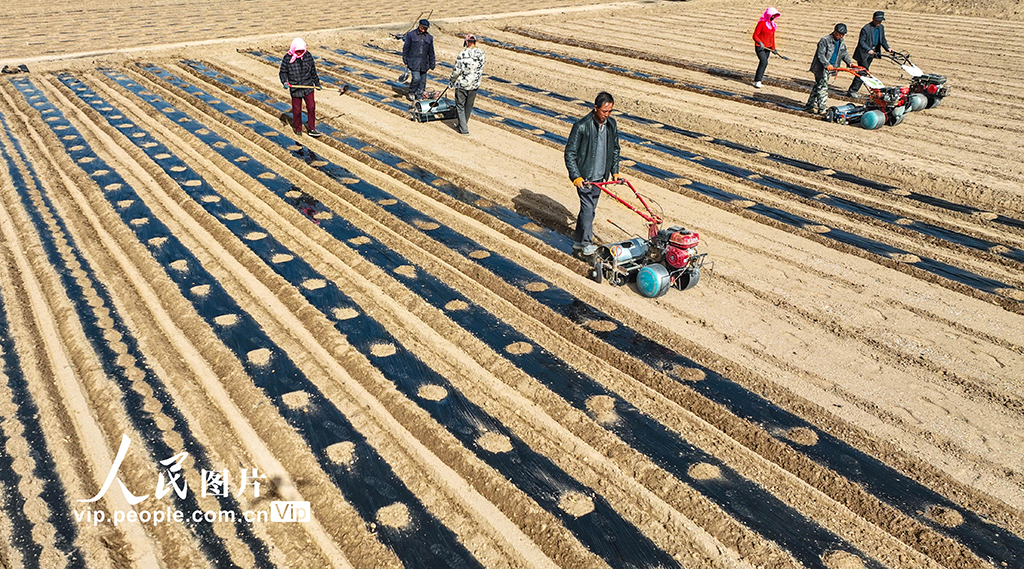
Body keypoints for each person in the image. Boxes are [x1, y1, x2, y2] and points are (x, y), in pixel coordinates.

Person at [564, 92, 621, 257]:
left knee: (589, 209)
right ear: (595, 108)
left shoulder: (611, 125)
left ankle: (577, 242)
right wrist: (575, 176)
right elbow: (570, 153)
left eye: (610, 111)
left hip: (600, 176)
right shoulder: (581, 126)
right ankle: (587, 244)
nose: (607, 115)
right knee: (588, 208)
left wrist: (614, 171)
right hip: (584, 176)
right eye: (604, 111)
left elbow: (615, 149)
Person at [804, 23, 852, 114]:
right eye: (839, 34)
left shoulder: (841, 41)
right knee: (823, 88)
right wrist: (827, 64)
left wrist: (849, 62)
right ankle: (822, 109)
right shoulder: (825, 40)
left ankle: (810, 105)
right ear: (834, 31)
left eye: (842, 35)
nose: (840, 36)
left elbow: (844, 53)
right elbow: (820, 54)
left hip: (832, 68)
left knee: (818, 85)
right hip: (821, 68)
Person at [279, 38, 322, 137]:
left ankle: (312, 128)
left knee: (311, 107)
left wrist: (317, 83)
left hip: (308, 86)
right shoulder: (287, 58)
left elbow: (313, 71)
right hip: (295, 87)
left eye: (301, 51)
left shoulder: (307, 56)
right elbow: (283, 72)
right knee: (297, 110)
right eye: (297, 51)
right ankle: (298, 128)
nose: (299, 53)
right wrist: (285, 82)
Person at [847, 11, 890, 98]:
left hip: (872, 54)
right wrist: (868, 49)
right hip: (862, 54)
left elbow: (882, 39)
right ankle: (852, 91)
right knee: (863, 72)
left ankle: (854, 90)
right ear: (873, 19)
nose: (879, 23)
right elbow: (861, 42)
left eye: (880, 21)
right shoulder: (866, 29)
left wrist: (888, 48)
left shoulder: (881, 27)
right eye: (878, 21)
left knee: (864, 72)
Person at [449, 34, 486, 135]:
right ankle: (463, 124)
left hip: (463, 84)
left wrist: (452, 81)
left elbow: (457, 70)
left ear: (466, 42)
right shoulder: (482, 53)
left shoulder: (463, 54)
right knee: (468, 106)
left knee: (460, 106)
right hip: (474, 84)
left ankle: (464, 129)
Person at [402, 19, 436, 101]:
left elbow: (431, 51)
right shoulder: (411, 35)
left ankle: (419, 94)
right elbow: (406, 48)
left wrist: (432, 62)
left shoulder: (429, 37)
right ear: (419, 26)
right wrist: (405, 59)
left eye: (425, 28)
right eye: (422, 28)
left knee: (423, 81)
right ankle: (412, 92)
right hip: (413, 61)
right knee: (416, 78)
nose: (423, 30)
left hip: (424, 63)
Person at [752, 7, 780, 88]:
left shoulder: (772, 25)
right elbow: (755, 35)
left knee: (763, 63)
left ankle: (757, 80)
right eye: (772, 15)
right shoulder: (761, 23)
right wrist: (760, 42)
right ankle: (757, 81)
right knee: (764, 62)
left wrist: (773, 48)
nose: (773, 17)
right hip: (760, 47)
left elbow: (772, 38)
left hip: (768, 48)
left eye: (774, 16)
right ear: (768, 15)